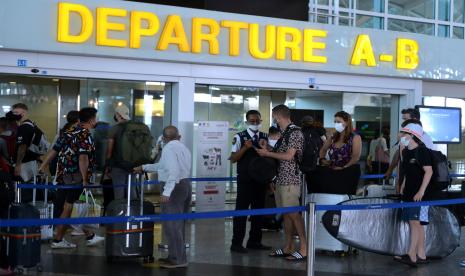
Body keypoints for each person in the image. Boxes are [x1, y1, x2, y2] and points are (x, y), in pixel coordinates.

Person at [134, 126, 191, 269]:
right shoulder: (183, 148)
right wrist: (144, 167)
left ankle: (177, 259)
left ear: (164, 138)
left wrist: (167, 192)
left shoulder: (168, 149)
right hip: (185, 185)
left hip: (174, 188)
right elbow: (163, 166)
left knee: (172, 226)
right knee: (178, 225)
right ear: (178, 136)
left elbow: (173, 171)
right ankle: (177, 257)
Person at [256, 104, 307, 262]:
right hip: (280, 178)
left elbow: (289, 156)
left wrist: (267, 153)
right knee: (286, 215)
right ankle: (288, 246)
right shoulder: (285, 133)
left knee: (294, 214)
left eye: (274, 117)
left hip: (290, 179)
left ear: (278, 117)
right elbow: (281, 152)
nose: (274, 121)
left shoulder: (295, 132)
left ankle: (305, 249)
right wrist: (268, 149)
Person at [50, 107, 104, 249]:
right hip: (76, 177)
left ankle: (87, 234)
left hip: (63, 174)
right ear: (92, 120)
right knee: (68, 207)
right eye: (96, 118)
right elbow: (83, 159)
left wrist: (44, 165)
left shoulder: (68, 132)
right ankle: (58, 239)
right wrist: (85, 179)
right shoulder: (85, 134)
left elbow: (54, 150)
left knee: (67, 206)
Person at [229, 110, 271, 253]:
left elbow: (270, 156)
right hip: (245, 180)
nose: (255, 123)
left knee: (258, 212)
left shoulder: (265, 137)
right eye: (252, 121)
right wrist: (245, 148)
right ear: (247, 121)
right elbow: (233, 158)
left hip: (261, 180)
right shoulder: (239, 136)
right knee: (241, 212)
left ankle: (255, 241)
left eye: (257, 121)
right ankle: (236, 243)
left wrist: (267, 148)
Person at [395, 123, 433, 267]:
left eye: (403, 133)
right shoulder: (406, 151)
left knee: (415, 222)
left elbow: (429, 172)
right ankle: (419, 255)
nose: (400, 136)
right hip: (409, 192)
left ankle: (412, 254)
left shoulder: (421, 151)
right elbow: (407, 171)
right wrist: (403, 184)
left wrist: (421, 191)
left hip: (419, 194)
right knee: (414, 223)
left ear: (411, 136)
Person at [39, 111, 80, 222]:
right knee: (67, 199)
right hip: (70, 171)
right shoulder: (76, 134)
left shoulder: (61, 133)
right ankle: (61, 226)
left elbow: (53, 150)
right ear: (78, 120)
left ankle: (58, 225)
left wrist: (45, 166)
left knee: (61, 198)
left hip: (59, 169)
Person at [106, 104, 139, 200]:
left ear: (117, 114)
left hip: (118, 165)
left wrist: (108, 165)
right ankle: (133, 212)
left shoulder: (114, 129)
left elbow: (110, 151)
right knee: (131, 190)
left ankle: (120, 213)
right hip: (133, 165)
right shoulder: (137, 128)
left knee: (119, 191)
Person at [11, 103, 39, 183]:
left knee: (24, 191)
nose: (14, 115)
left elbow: (22, 147)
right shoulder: (32, 124)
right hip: (32, 163)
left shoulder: (24, 127)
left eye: (16, 112)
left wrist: (18, 164)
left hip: (24, 164)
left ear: (23, 113)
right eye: (13, 113)